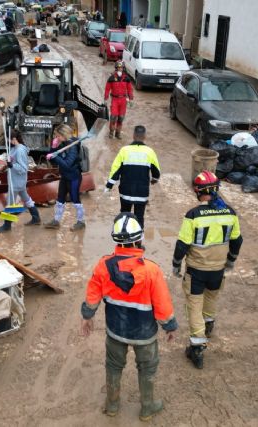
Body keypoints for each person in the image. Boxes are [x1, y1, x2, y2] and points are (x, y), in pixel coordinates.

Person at [80, 212, 177, 421]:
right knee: (147, 368)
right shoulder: (151, 270)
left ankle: (112, 405)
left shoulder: (104, 265)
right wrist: (169, 326)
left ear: (115, 239)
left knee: (114, 366)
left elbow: (93, 295)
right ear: (139, 238)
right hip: (145, 334)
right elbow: (162, 303)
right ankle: (147, 407)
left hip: (116, 331)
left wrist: (87, 316)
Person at [171, 171, 243, 369]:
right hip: (218, 269)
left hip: (196, 271)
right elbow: (237, 240)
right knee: (211, 297)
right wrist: (231, 260)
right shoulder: (230, 212)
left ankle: (197, 346)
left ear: (198, 192)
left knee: (194, 305)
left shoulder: (193, 215)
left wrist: (176, 264)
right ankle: (209, 324)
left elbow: (182, 244)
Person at [105, 125, 160, 230]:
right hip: (142, 193)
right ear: (144, 137)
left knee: (125, 216)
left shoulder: (124, 150)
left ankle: (124, 240)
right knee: (139, 217)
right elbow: (156, 172)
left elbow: (115, 170)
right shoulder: (150, 152)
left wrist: (109, 185)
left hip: (126, 191)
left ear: (133, 136)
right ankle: (138, 243)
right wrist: (154, 180)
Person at [0, 131, 41, 233]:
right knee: (27, 199)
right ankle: (36, 218)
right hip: (17, 181)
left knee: (10, 204)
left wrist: (12, 165)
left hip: (16, 182)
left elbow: (23, 168)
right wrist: (6, 159)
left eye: (8, 139)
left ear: (14, 139)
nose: (7, 141)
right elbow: (11, 157)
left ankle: (7, 226)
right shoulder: (15, 148)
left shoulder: (20, 150)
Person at [44, 124, 85, 231]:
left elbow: (67, 164)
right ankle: (56, 221)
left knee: (75, 199)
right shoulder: (63, 144)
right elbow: (52, 160)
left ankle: (81, 222)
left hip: (73, 177)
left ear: (63, 135)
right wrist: (53, 148)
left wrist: (55, 156)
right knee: (60, 198)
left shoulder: (72, 147)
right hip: (64, 176)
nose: (56, 138)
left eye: (58, 136)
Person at [104, 61, 134, 139]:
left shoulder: (126, 78)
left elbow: (130, 89)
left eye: (121, 68)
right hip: (114, 99)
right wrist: (106, 99)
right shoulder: (112, 78)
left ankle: (118, 133)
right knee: (113, 116)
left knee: (121, 117)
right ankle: (111, 132)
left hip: (123, 100)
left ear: (123, 68)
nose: (120, 69)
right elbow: (107, 89)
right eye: (118, 67)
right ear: (116, 68)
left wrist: (131, 99)